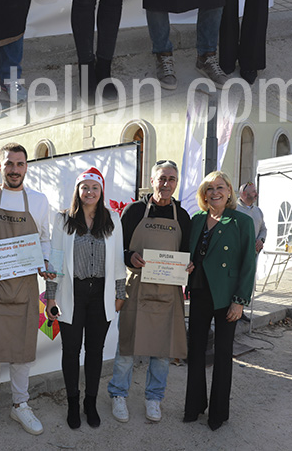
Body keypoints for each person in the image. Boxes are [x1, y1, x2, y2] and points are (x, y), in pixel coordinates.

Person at [0, 143, 51, 440]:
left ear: (27, 166)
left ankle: (20, 404)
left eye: (20, 164)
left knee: (22, 352)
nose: (15, 169)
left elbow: (44, 239)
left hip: (26, 287)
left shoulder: (39, 201)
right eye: (9, 164)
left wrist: (47, 262)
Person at [108, 160, 191, 424]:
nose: (166, 184)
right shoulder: (134, 211)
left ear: (176, 183)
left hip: (168, 293)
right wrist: (128, 256)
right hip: (137, 289)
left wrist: (190, 265)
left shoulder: (183, 215)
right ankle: (118, 395)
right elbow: (116, 250)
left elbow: (188, 253)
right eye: (162, 179)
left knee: (162, 351)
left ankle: (154, 398)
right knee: (127, 348)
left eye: (171, 180)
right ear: (152, 181)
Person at [46, 167, 125, 429]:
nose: (89, 192)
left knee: (95, 351)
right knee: (70, 352)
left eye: (94, 187)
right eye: (84, 187)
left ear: (101, 191)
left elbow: (118, 261)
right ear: (77, 191)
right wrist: (51, 297)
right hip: (73, 293)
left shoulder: (112, 218)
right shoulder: (64, 220)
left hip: (100, 294)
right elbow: (56, 258)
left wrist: (119, 294)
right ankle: (72, 403)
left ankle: (90, 403)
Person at [184, 170, 256, 431]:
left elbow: (248, 263)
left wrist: (240, 300)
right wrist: (187, 267)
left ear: (229, 192)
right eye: (209, 189)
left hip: (227, 296)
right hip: (200, 292)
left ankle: (218, 413)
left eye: (220, 187)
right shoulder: (196, 219)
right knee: (195, 351)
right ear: (204, 194)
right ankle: (194, 405)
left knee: (223, 354)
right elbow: (191, 254)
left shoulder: (241, 222)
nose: (215, 192)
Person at [236, 181, 267, 253]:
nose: (257, 194)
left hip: (254, 254)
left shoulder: (258, 211)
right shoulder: (234, 209)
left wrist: (261, 240)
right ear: (244, 194)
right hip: (237, 254)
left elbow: (263, 229)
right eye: (254, 192)